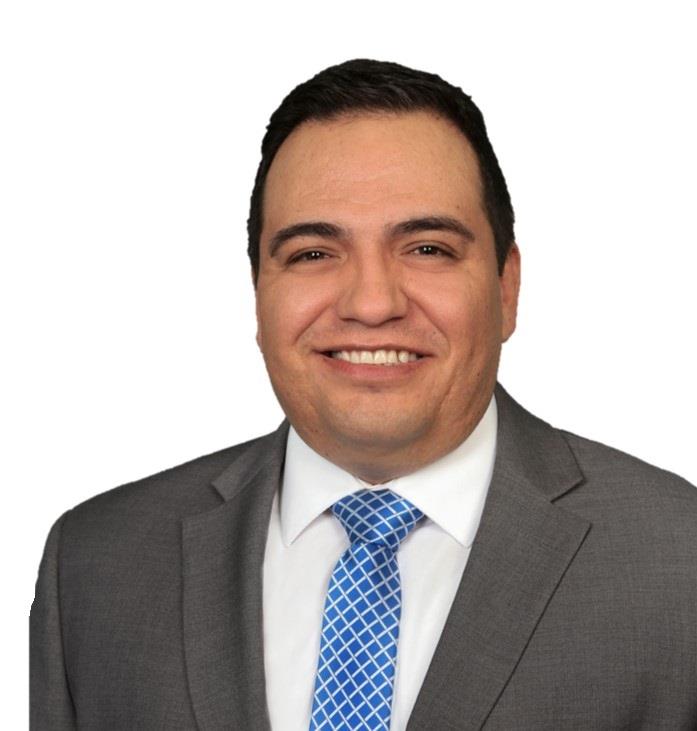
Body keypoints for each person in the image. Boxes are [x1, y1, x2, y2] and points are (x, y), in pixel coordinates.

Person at [31, 59, 697, 731]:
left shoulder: (678, 560)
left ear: (506, 287)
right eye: (313, 253)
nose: (372, 303)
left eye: (428, 248)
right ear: (258, 292)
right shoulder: (94, 563)